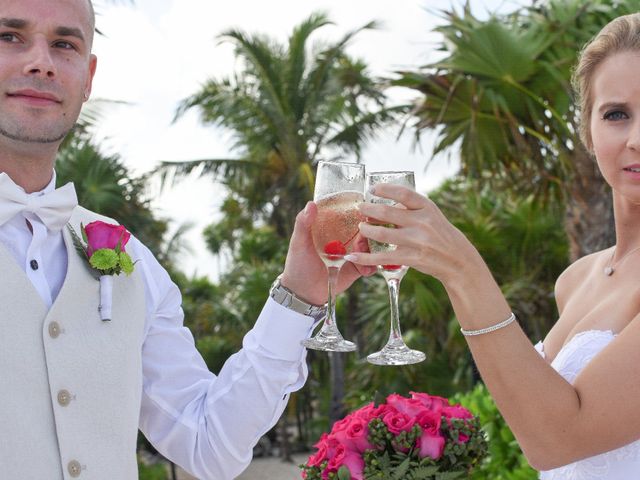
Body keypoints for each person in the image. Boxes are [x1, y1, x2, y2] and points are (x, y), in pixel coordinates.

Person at [0, 1, 372, 479]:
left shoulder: (130, 258)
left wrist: (299, 297)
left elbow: (208, 445)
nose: (42, 62)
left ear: (88, 77)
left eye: (64, 44)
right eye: (10, 36)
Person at [345, 12, 640, 479]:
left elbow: (557, 440)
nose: (638, 139)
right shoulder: (576, 279)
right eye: (617, 114)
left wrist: (463, 269)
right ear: (589, 129)